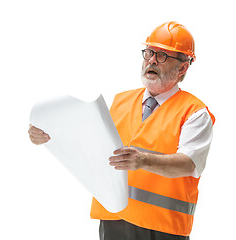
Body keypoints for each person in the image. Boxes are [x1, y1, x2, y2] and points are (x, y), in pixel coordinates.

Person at [28, 21, 215, 240]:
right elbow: (91, 145)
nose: (152, 60)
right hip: (113, 218)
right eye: (149, 52)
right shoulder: (121, 101)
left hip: (162, 227)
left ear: (182, 67)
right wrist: (51, 136)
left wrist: (142, 160)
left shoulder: (194, 112)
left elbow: (189, 164)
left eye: (162, 55)